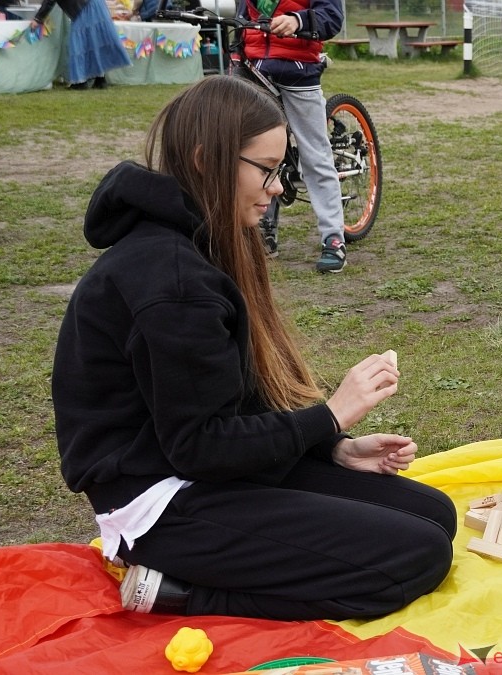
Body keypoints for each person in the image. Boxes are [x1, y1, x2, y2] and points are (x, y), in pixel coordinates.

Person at [50, 76, 456, 620]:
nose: (278, 188)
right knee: (418, 554)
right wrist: (331, 415)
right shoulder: (172, 280)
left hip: (200, 470)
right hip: (159, 503)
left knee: (435, 515)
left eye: (280, 170)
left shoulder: (199, 242)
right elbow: (201, 447)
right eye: (266, 170)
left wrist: (332, 449)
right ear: (205, 161)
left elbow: (226, 404)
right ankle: (180, 592)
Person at [237, 0, 349, 272]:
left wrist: (298, 21)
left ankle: (333, 237)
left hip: (298, 71)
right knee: (254, 155)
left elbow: (332, 16)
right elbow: (243, 17)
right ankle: (262, 228)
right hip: (254, 70)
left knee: (314, 155)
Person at [30, 0, 131, 89]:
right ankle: (100, 79)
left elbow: (49, 1)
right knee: (95, 41)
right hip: (96, 4)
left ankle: (81, 81)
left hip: (84, 7)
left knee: (80, 43)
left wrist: (38, 19)